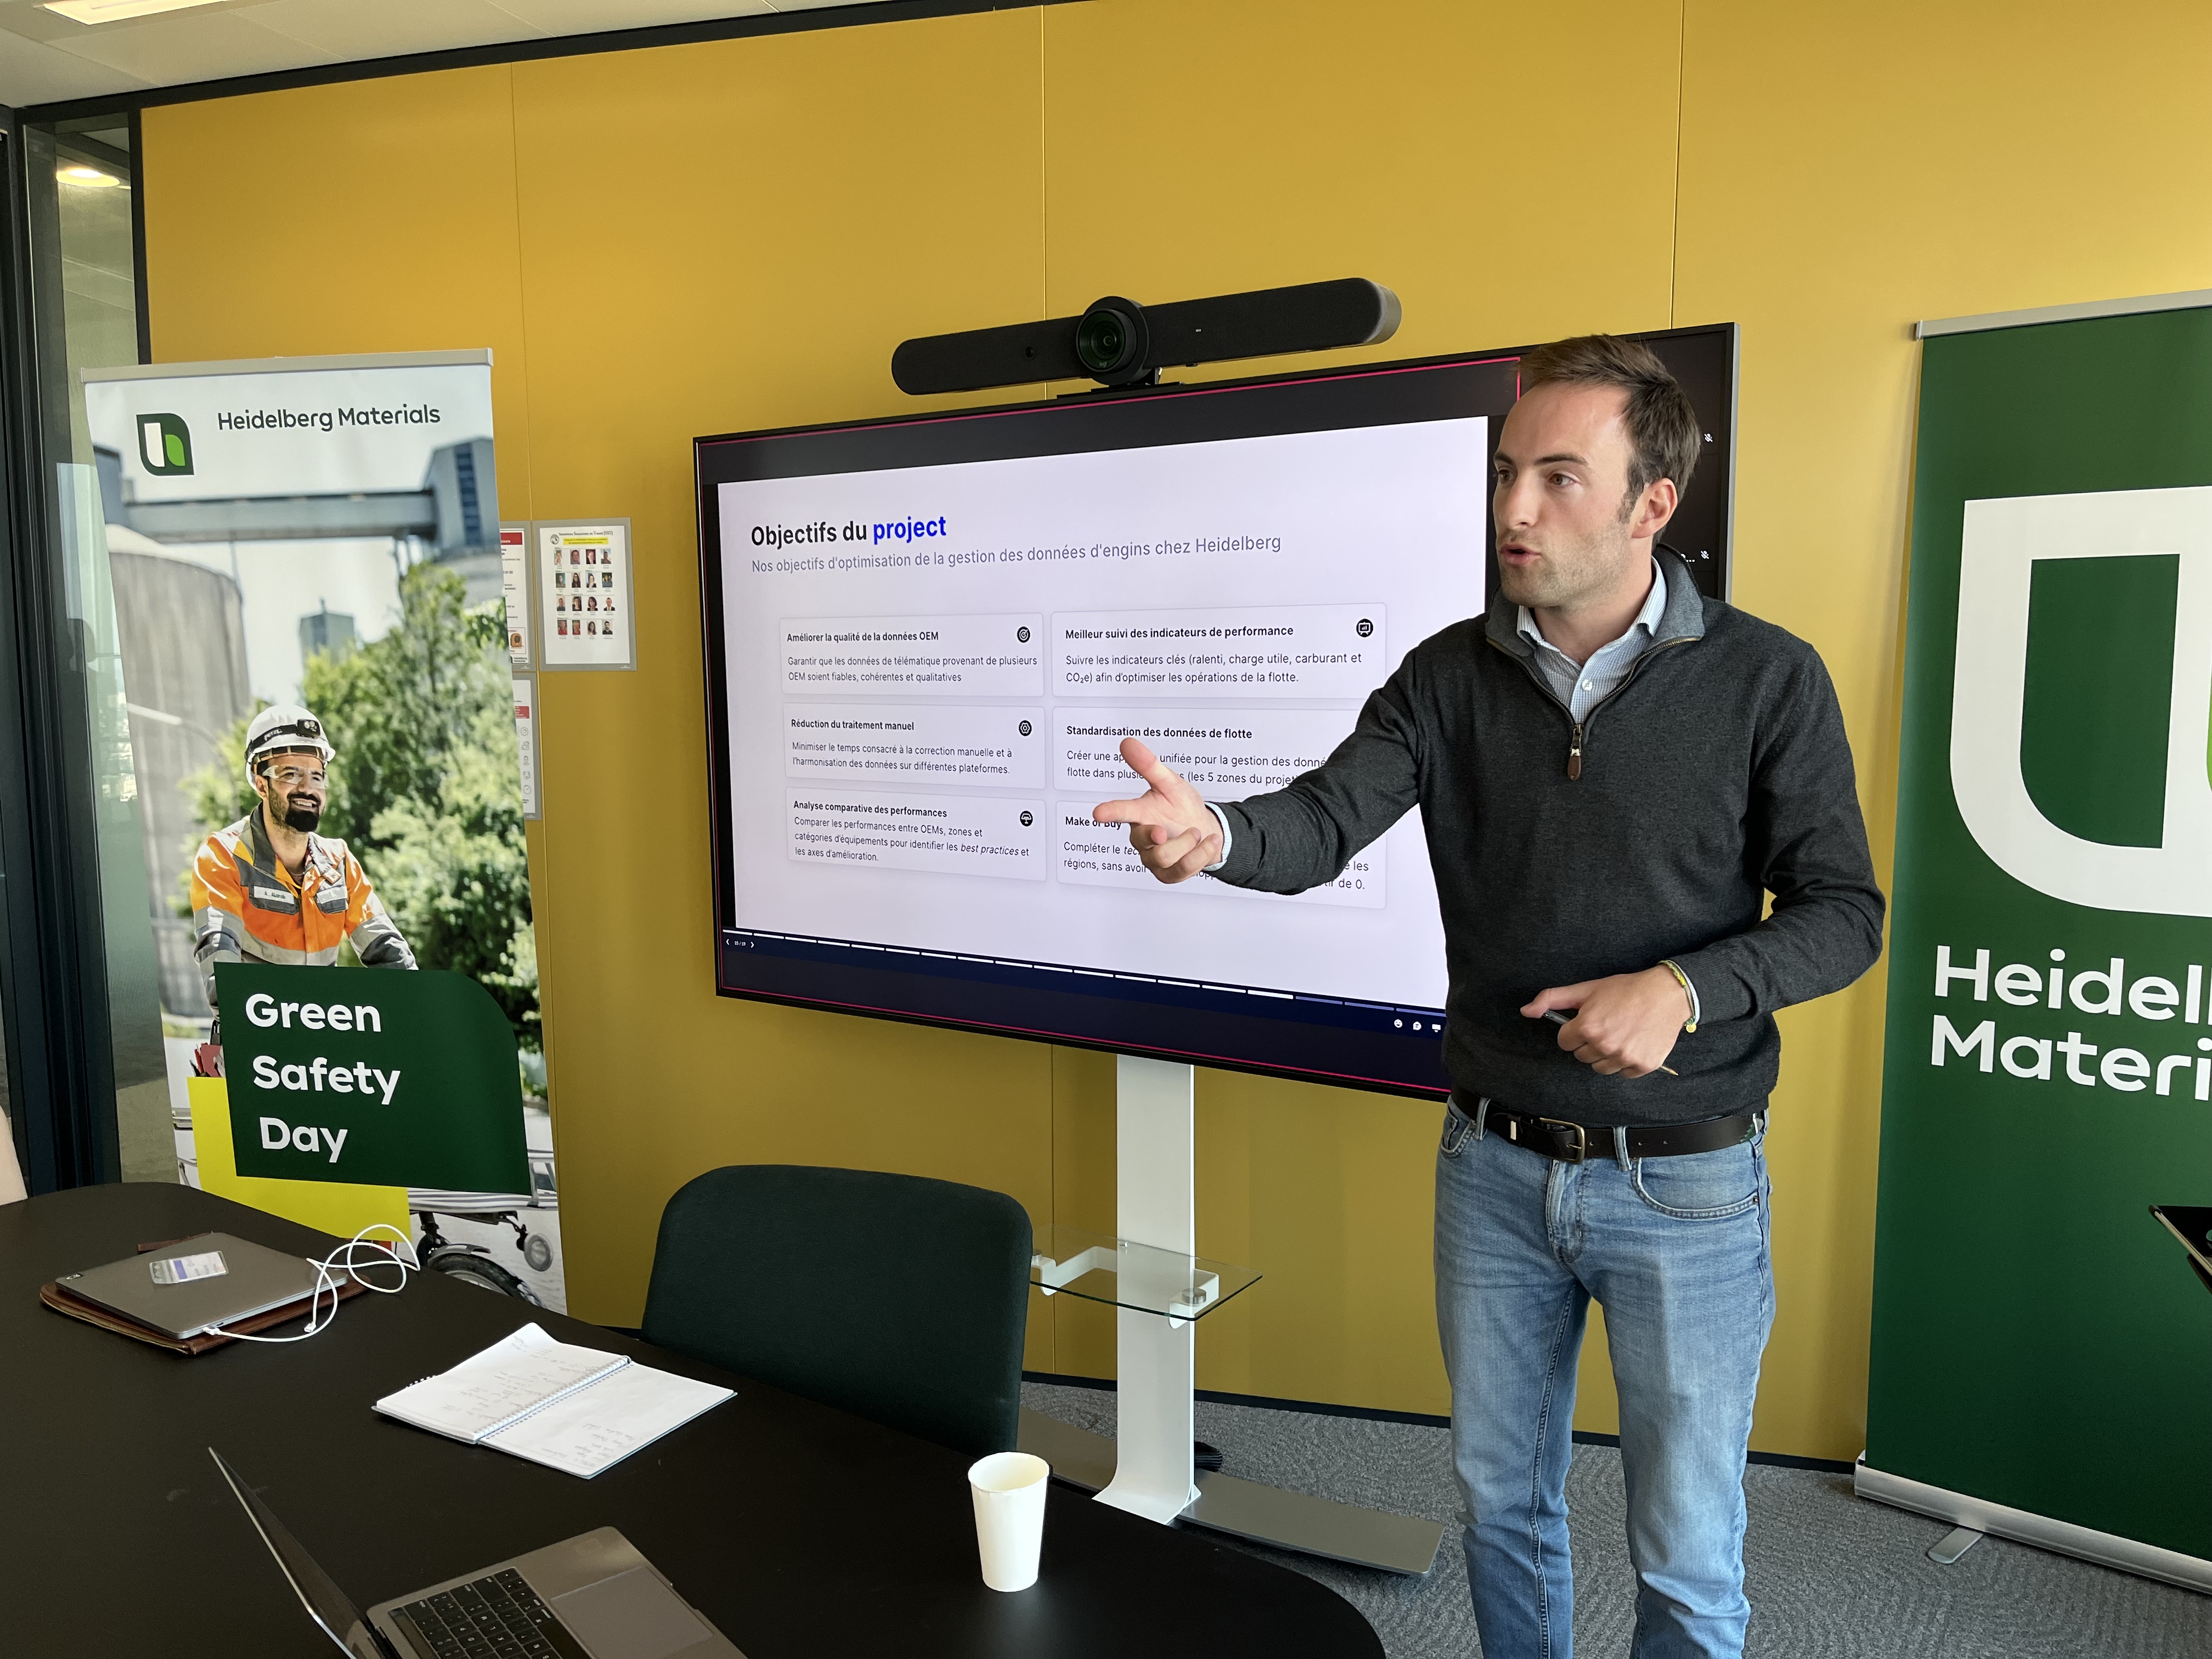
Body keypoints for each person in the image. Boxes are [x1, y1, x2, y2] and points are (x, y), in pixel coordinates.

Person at [1093, 335, 1883, 1659]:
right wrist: (1217, 836)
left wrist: (1686, 989)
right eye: (1508, 472)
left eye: (1560, 479)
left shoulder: (1767, 679)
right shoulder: (1446, 675)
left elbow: (1844, 914)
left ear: (1652, 504)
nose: (1513, 509)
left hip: (1682, 1182)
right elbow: (1324, 821)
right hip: (1493, 1168)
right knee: (1499, 1504)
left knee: (1686, 1547)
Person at [190, 703, 416, 1019]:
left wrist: (416, 1014)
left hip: (326, 1045)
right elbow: (220, 962)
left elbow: (390, 955)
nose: (307, 788)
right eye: (290, 774)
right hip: (255, 1041)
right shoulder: (224, 856)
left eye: (316, 776)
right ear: (261, 783)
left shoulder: (339, 863)